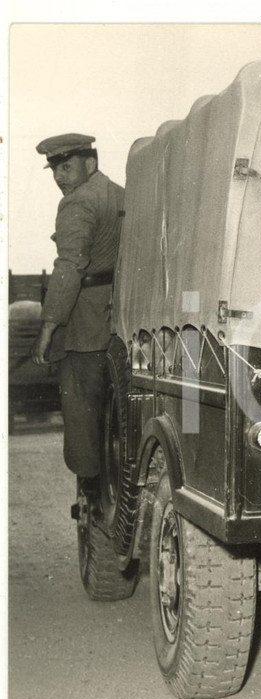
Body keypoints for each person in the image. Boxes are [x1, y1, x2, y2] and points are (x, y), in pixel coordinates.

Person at [31, 133, 125, 506]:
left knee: (80, 404)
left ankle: (91, 493)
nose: (59, 176)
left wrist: (48, 327)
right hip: (116, 310)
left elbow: (69, 267)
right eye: (55, 168)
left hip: (84, 321)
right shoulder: (117, 193)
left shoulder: (77, 204)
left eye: (66, 166)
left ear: (91, 162)